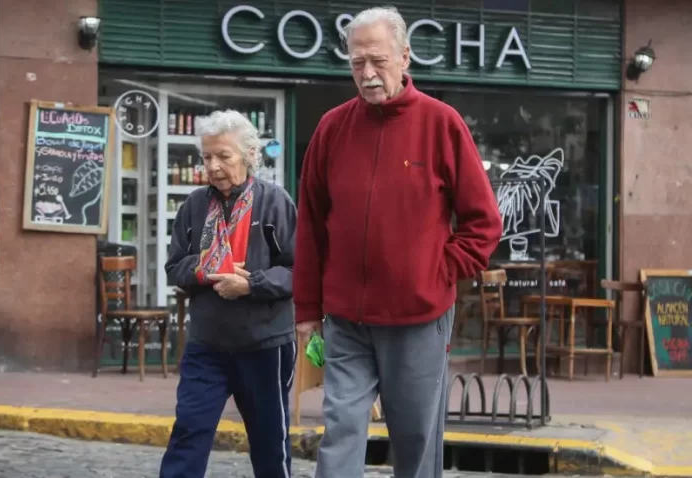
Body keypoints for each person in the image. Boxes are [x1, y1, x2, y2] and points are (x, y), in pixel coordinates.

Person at [293, 6, 503, 478]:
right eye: (356, 63)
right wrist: (307, 308)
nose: (367, 74)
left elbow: (484, 223)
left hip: (419, 318)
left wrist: (436, 272)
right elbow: (310, 225)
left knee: (415, 439)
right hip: (346, 319)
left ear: (405, 57)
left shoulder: (441, 123)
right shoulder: (331, 129)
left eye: (378, 61)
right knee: (341, 426)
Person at [160, 109, 297, 478]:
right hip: (208, 346)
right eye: (207, 157)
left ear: (250, 155)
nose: (214, 166)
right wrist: (206, 269)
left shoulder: (274, 202)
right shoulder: (194, 207)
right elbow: (174, 267)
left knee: (270, 443)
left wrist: (252, 284)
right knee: (189, 431)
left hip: (266, 345)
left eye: (224, 156)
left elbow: (299, 271)